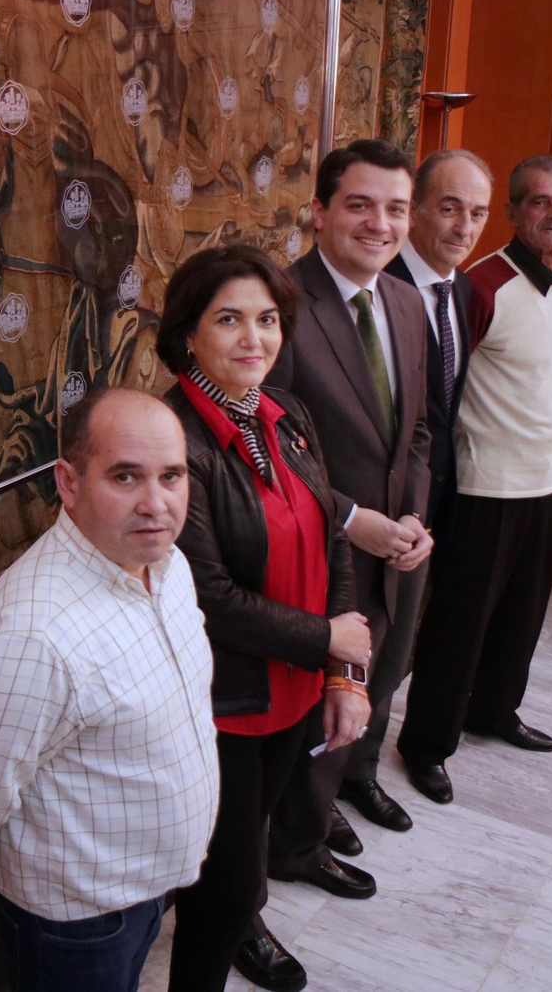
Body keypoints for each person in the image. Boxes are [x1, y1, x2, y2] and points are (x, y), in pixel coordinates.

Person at [0, 387, 220, 992]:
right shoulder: (35, 638)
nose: (156, 504)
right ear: (69, 483)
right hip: (78, 923)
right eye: (126, 477)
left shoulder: (167, 563)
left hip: (148, 891)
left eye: (172, 476)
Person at [159, 244, 371, 992]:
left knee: (241, 863)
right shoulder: (173, 439)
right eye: (230, 320)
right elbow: (208, 597)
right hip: (222, 705)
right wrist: (327, 641)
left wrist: (345, 671)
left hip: (294, 691)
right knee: (222, 888)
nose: (255, 338)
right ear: (189, 334)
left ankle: (239, 921)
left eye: (268, 319)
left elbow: (329, 538)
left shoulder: (286, 415)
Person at [264, 139, 432, 894]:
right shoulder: (280, 310)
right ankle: (285, 851)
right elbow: (261, 452)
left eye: (395, 208)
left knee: (357, 701)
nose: (379, 223)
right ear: (321, 211)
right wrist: (353, 518)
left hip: (394, 553)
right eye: (359, 204)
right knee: (305, 715)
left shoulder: (403, 300)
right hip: (314, 559)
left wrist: (415, 518)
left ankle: (317, 817)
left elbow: (418, 434)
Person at [398, 154, 552, 805]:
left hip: (551, 475)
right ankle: (427, 743)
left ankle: (496, 710)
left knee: (523, 615)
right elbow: (442, 387)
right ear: (513, 213)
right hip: (487, 483)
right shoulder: (483, 285)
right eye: (539, 201)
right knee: (461, 622)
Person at [341, 149, 492, 828]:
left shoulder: (446, 293)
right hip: (338, 525)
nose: (463, 226)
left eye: (478, 212)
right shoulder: (328, 296)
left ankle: (360, 775)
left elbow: (429, 423)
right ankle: (313, 805)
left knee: (395, 653)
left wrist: (416, 517)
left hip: (411, 518)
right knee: (343, 664)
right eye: (448, 206)